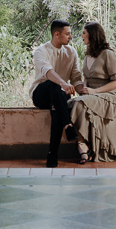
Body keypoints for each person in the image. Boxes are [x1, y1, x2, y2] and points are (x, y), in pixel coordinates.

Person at [69, 22, 116, 164]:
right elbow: (86, 78)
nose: (81, 36)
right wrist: (84, 89)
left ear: (92, 34)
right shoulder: (87, 55)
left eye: (84, 32)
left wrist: (95, 91)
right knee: (71, 103)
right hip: (92, 94)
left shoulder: (108, 54)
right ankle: (86, 146)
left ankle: (82, 145)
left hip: (110, 96)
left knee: (77, 103)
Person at [30, 19, 84, 167]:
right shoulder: (41, 51)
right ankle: (68, 124)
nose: (71, 37)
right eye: (68, 34)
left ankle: (52, 155)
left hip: (59, 95)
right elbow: (48, 72)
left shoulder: (71, 52)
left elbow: (76, 78)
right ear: (56, 34)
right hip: (41, 93)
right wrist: (64, 84)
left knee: (57, 108)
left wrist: (84, 92)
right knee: (54, 86)